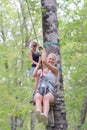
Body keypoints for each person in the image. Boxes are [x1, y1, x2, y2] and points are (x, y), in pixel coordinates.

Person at [33, 47, 58, 125]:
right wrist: (38, 64)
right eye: (49, 59)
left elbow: (44, 61)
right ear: (47, 59)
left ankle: (45, 115)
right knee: (38, 97)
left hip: (50, 92)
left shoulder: (55, 70)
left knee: (46, 98)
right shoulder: (41, 71)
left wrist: (43, 50)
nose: (51, 60)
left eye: (52, 59)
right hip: (40, 90)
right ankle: (39, 113)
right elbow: (34, 74)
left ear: (55, 62)